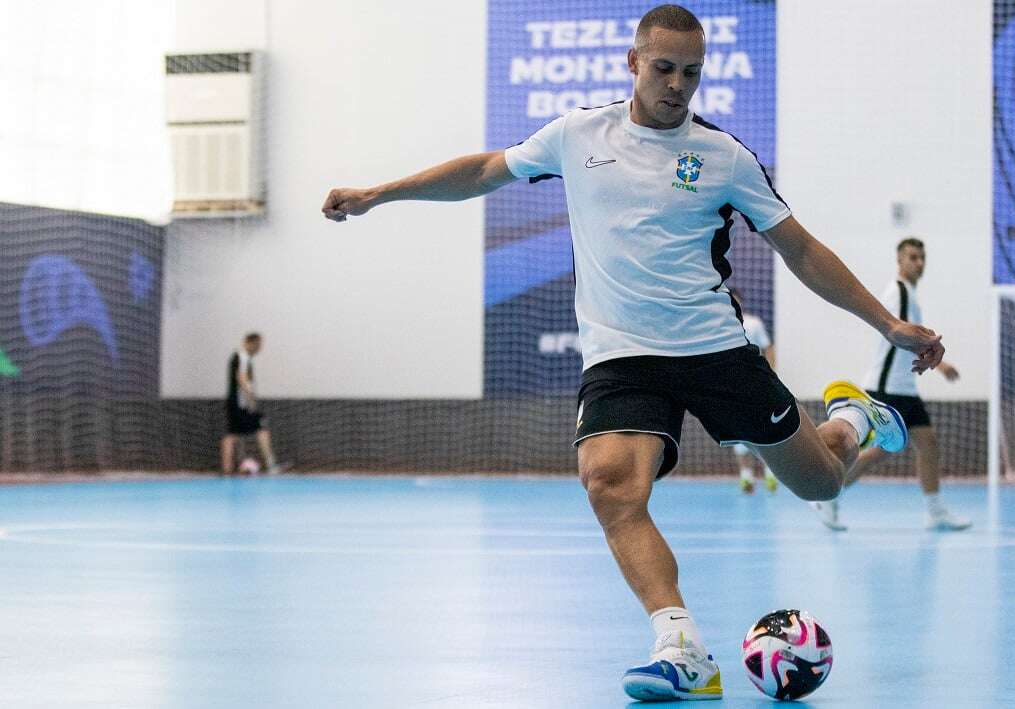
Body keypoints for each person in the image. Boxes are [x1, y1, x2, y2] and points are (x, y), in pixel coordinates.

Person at [322, 5, 944, 701]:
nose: (678, 85)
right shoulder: (577, 134)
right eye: (665, 69)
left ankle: (852, 418)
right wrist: (381, 192)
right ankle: (681, 646)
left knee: (821, 482)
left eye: (692, 73)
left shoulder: (725, 157)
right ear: (633, 62)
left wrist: (888, 324)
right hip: (621, 354)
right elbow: (482, 171)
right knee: (609, 481)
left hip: (714, 347)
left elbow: (799, 249)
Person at [811, 238, 970, 532]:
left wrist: (936, 362)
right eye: (913, 257)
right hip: (888, 388)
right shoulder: (899, 292)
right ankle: (829, 494)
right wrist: (939, 362)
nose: (919, 263)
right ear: (899, 260)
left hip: (905, 389)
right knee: (878, 452)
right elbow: (899, 334)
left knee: (927, 443)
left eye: (922, 257)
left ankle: (935, 511)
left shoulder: (909, 294)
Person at [730, 288, 779, 493]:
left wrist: (770, 374)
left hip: (756, 384)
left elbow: (768, 348)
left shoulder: (753, 323)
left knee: (765, 428)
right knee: (738, 432)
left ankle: (770, 473)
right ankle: (746, 476)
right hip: (730, 387)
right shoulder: (717, 324)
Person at [220, 332, 283, 475]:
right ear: (250, 342)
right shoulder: (242, 356)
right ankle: (271, 465)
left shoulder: (237, 356)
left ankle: (227, 470)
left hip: (234, 402)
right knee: (261, 428)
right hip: (241, 404)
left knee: (232, 434)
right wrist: (251, 400)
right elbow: (241, 378)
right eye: (258, 345)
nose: (259, 349)